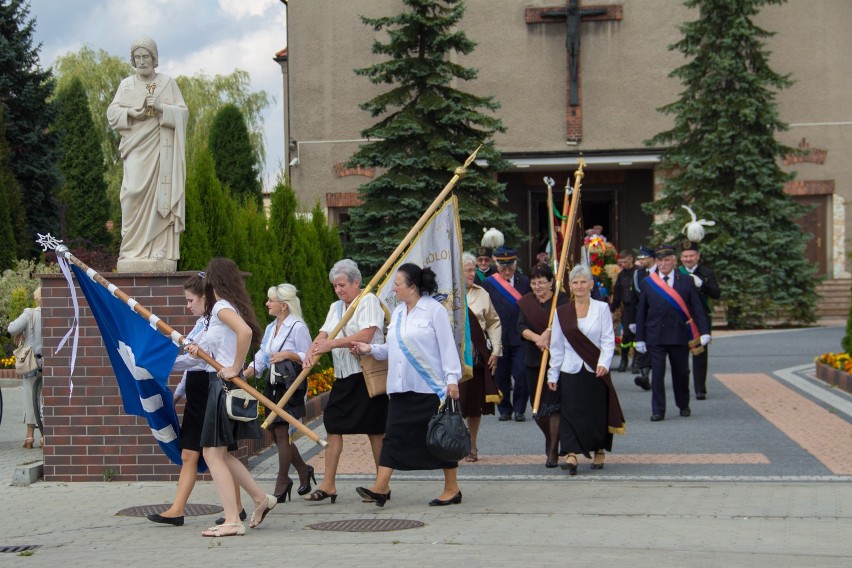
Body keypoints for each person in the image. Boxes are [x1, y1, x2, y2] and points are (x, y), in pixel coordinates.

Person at [351, 264, 463, 507]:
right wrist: (369, 349)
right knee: (393, 437)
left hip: (429, 388)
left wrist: (452, 379)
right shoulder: (399, 313)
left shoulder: (434, 311)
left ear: (412, 287)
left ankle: (452, 488)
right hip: (400, 387)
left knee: (440, 438)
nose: (394, 289)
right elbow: (394, 348)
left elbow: (447, 347)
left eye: (397, 284)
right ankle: (381, 487)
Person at [146, 274, 247, 526]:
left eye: (191, 300)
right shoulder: (201, 322)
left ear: (205, 297)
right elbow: (192, 362)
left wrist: (162, 365)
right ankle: (177, 509)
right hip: (196, 389)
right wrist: (179, 392)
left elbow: (198, 359)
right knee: (190, 453)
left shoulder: (215, 320)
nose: (188, 305)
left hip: (211, 388)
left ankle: (239, 506)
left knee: (221, 454)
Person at [185, 258, 276, 537]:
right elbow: (231, 340)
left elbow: (245, 333)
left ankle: (232, 520)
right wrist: (200, 352)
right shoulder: (226, 307)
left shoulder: (223, 306)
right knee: (220, 454)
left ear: (214, 281)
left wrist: (236, 366)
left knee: (213, 454)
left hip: (223, 385)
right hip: (221, 383)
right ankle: (261, 499)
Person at [302, 259, 388, 503]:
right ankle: (329, 485)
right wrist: (313, 349)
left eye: (342, 285)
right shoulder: (335, 307)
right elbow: (325, 332)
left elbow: (367, 333)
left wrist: (332, 344)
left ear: (356, 282)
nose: (338, 290)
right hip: (344, 376)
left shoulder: (368, 300)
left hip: (366, 375)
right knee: (333, 425)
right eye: (335, 286)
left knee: (375, 429)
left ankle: (381, 484)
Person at [107, 36, 188, 271]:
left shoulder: (167, 83)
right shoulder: (126, 85)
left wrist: (162, 108)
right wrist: (133, 113)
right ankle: (131, 251)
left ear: (154, 59)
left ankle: (159, 250)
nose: (142, 61)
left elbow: (183, 114)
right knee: (131, 193)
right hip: (136, 146)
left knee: (159, 196)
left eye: (146, 57)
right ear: (133, 60)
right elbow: (112, 113)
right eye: (137, 57)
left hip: (160, 150)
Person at [547, 265, 625, 475]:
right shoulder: (561, 312)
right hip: (569, 369)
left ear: (591, 284)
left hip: (594, 367)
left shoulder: (601, 309)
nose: (579, 286)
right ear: (570, 286)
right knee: (570, 411)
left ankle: (599, 448)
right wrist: (552, 373)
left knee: (595, 411)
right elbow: (557, 346)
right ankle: (571, 453)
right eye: (575, 282)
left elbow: (608, 340)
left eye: (583, 282)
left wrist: (603, 363)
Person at [243, 283, 314, 503]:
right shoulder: (272, 326)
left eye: (270, 300)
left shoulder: (298, 326)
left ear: (283, 305)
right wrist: (245, 373)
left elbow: (309, 356)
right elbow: (263, 356)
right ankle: (303, 470)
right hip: (272, 384)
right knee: (273, 433)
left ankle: (282, 482)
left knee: (282, 433)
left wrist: (289, 354)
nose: (267, 304)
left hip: (290, 386)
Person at [635, 245, 711, 422]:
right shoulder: (648, 282)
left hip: (679, 335)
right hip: (656, 335)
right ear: (656, 261)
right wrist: (640, 337)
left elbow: (697, 308)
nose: (664, 264)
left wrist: (704, 331)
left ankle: (683, 404)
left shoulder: (685, 281)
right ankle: (658, 410)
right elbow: (642, 312)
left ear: (674, 261)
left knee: (681, 373)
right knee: (657, 375)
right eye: (660, 260)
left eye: (667, 260)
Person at [517, 264, 569, 468]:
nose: (537, 286)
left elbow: (566, 325)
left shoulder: (562, 300)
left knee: (554, 406)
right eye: (533, 283)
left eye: (541, 282)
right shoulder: (526, 302)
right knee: (537, 408)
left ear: (550, 283)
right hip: (533, 359)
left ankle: (553, 450)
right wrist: (538, 338)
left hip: (556, 359)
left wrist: (549, 334)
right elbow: (520, 327)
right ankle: (551, 438)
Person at [459, 253, 502, 463]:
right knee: (453, 404)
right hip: (453, 359)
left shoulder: (483, 294)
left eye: (473, 269)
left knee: (473, 406)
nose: (472, 273)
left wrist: (496, 350)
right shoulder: (447, 297)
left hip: (475, 358)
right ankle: (451, 442)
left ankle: (472, 446)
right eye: (468, 270)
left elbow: (494, 322)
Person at [481, 246, 532, 422]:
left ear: (515, 264)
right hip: (499, 338)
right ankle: (504, 409)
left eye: (510, 265)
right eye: (503, 266)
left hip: (520, 337)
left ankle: (519, 409)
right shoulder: (488, 283)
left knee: (521, 374)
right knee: (501, 376)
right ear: (497, 264)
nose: (506, 270)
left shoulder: (525, 282)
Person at [679, 241, 721, 400]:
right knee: (680, 354)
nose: (688, 259)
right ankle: (682, 387)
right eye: (685, 256)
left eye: (691, 256)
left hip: (700, 318)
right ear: (680, 258)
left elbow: (716, 293)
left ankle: (700, 389)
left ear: (698, 256)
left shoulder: (706, 273)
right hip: (681, 317)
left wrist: (702, 284)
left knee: (700, 354)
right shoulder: (677, 273)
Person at [8, 287, 43, 449]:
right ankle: (45, 437)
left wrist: (21, 333)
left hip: (30, 362)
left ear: (36, 298)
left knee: (30, 398)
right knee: (47, 400)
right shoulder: (55, 313)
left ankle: (29, 437)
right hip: (48, 362)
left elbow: (12, 328)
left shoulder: (29, 314)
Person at [631, 246, 655, 390]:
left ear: (652, 258)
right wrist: (633, 320)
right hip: (643, 315)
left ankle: (653, 375)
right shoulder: (637, 274)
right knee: (643, 345)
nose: (641, 260)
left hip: (657, 315)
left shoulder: (659, 273)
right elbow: (634, 297)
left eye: (644, 257)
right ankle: (645, 376)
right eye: (640, 258)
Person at [610, 250, 636, 373]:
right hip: (627, 309)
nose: (623, 265)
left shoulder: (638, 273)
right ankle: (624, 360)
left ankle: (636, 361)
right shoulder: (621, 275)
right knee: (626, 336)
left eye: (625, 262)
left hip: (639, 308)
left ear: (631, 259)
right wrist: (612, 309)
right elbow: (617, 294)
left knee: (638, 337)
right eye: (621, 263)